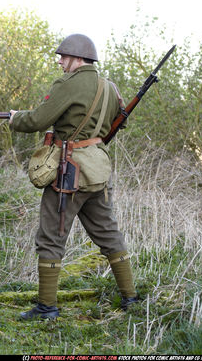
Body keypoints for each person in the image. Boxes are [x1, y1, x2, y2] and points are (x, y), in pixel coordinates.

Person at [9, 34, 139, 320]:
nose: (60, 61)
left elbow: (37, 120)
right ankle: (131, 298)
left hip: (69, 173)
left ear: (78, 58)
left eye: (63, 56)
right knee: (109, 234)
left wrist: (14, 118)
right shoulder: (109, 87)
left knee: (51, 237)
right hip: (98, 172)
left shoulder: (68, 84)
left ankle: (46, 307)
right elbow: (117, 124)